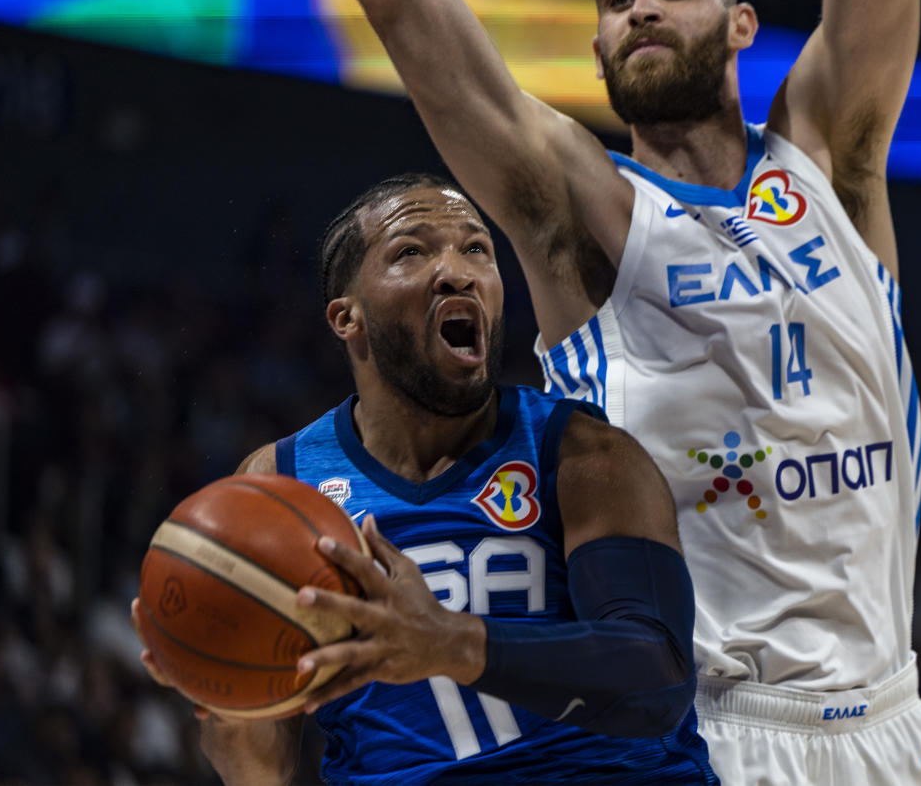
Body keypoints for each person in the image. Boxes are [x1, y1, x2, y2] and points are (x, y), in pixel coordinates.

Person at [326, 0, 921, 783]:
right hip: (706, 732)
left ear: (741, 24)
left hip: (891, 720)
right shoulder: (588, 219)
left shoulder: (835, 166)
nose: (642, 9)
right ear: (598, 48)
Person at [132, 173, 717, 784]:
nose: (458, 271)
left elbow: (660, 678)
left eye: (476, 250)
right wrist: (223, 697)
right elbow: (265, 771)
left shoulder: (583, 454)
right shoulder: (282, 482)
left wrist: (449, 643)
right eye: (412, 251)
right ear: (346, 318)